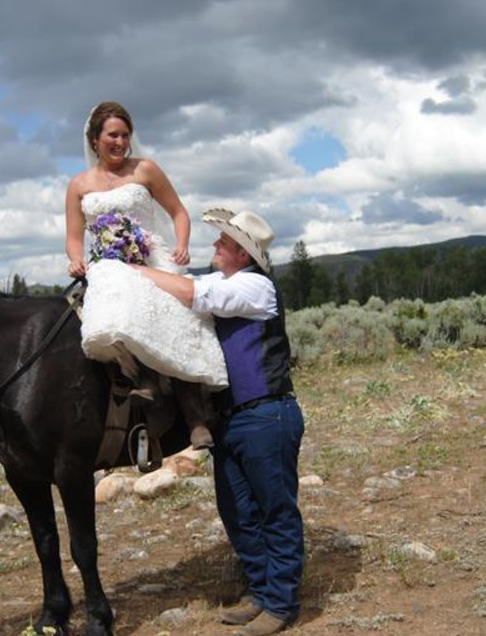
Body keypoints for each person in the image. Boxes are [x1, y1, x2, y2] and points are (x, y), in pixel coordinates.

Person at [131, 208, 304, 636]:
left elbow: (195, 293)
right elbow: (193, 288)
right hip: (235, 418)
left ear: (243, 254)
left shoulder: (256, 286)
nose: (215, 246)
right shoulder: (230, 282)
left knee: (275, 511)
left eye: (223, 243)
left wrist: (134, 270)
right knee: (238, 511)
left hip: (267, 414)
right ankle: (261, 591)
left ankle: (281, 604)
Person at [65, 101, 226, 450]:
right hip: (108, 263)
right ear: (95, 139)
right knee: (115, 299)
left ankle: (195, 417)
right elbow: (74, 237)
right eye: (113, 135)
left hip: (150, 255)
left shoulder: (146, 169)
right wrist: (76, 260)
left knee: (175, 312)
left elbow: (178, 211)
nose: (121, 142)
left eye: (125, 135)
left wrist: (182, 244)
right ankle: (144, 382)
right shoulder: (78, 184)